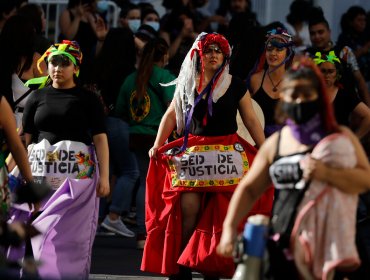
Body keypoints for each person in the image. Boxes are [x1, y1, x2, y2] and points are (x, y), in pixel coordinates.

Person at [217, 57, 370, 279]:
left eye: (307, 94)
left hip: (331, 243)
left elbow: (365, 180)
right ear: (284, 98)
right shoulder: (276, 143)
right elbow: (249, 189)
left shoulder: (339, 137)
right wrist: (229, 230)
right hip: (285, 244)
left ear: (320, 98)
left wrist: (328, 174)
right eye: (293, 94)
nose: (299, 101)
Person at [141, 33, 273, 279]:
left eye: (218, 51)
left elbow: (251, 120)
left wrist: (264, 148)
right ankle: (183, 266)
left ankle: (209, 266)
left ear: (225, 56)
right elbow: (171, 115)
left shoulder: (235, 84)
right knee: (188, 210)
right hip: (194, 156)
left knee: (220, 217)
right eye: (209, 50)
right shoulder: (187, 83)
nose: (213, 55)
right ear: (200, 55)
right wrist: (158, 145)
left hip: (227, 157)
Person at [8, 40, 109, 279]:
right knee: (33, 226)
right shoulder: (36, 96)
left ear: (75, 68)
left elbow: (101, 140)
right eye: (54, 62)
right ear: (46, 64)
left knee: (68, 234)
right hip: (38, 176)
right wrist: (6, 170)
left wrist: (104, 177)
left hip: (74, 183)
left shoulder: (87, 99)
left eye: (65, 63)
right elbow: (23, 141)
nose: (58, 68)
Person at [115, 38, 175, 249]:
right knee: (160, 186)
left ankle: (143, 233)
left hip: (135, 137)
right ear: (165, 56)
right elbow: (173, 108)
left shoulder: (131, 78)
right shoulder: (166, 77)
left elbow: (120, 110)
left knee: (143, 183)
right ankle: (155, 231)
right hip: (158, 138)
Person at [306, 14, 370, 107]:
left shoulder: (344, 52)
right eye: (312, 33)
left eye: (320, 32)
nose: (316, 36)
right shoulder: (307, 56)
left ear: (329, 32)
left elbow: (360, 82)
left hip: (347, 108)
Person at [249, 27, 294, 137]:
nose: (273, 53)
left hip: (285, 142)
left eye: (279, 50)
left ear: (287, 53)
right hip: (258, 140)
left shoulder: (294, 82)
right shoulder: (255, 80)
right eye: (269, 49)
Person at [313, 51, 370, 139]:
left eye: (331, 71)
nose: (326, 75)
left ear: (337, 74)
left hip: (339, 142)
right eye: (323, 71)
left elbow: (368, 116)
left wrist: (354, 139)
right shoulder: (310, 92)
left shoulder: (345, 94)